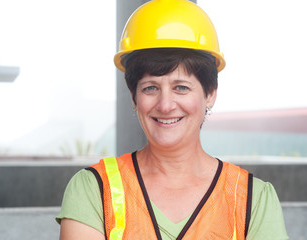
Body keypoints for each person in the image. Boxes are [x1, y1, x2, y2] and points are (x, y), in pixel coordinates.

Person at [56, 0, 289, 239]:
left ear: (209, 95)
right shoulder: (95, 189)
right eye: (150, 88)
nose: (165, 105)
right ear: (134, 98)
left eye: (181, 87)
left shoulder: (253, 199)